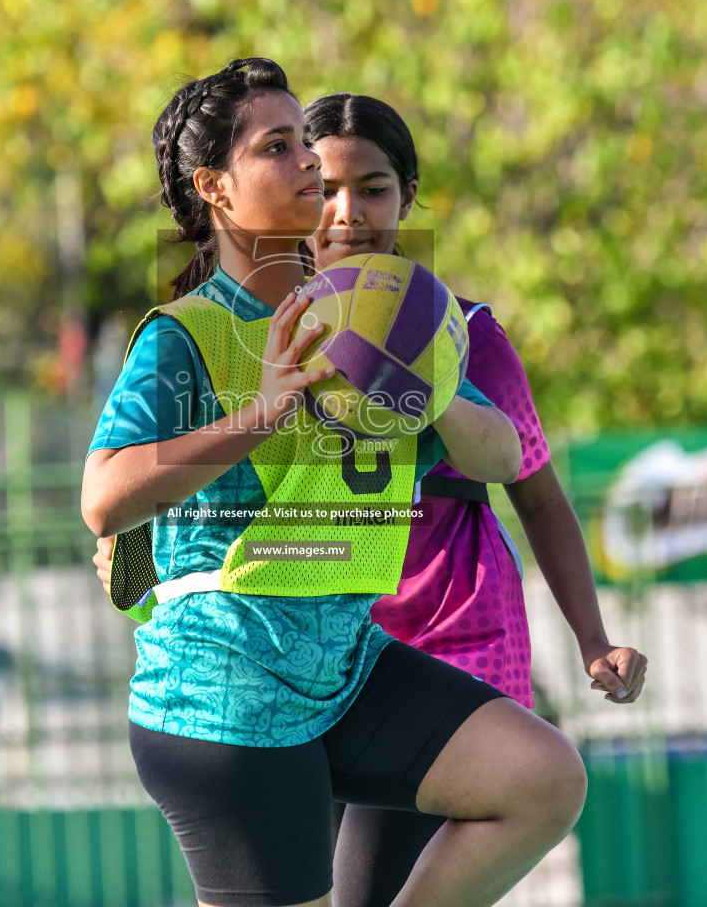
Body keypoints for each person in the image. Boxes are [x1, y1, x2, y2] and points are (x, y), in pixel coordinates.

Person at [81, 57, 588, 907]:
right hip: (225, 694)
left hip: (346, 670)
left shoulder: (372, 314)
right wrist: (264, 412)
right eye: (279, 147)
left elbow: (503, 460)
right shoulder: (187, 335)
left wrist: (432, 400)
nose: (310, 163)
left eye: (303, 142)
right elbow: (103, 497)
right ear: (216, 188)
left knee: (541, 779)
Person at [301, 92, 648, 907]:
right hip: (312, 656)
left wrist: (594, 639)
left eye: (375, 187)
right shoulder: (255, 334)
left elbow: (540, 497)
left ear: (409, 195)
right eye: (323, 187)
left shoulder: (461, 333)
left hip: (451, 649)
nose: (348, 211)